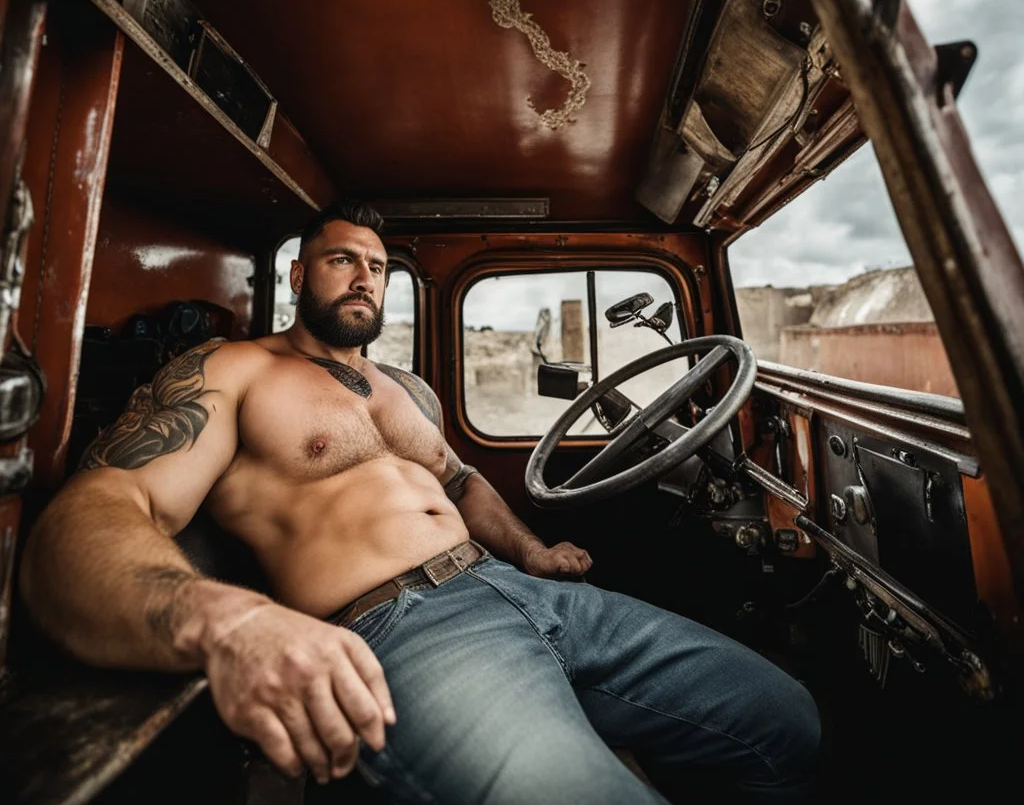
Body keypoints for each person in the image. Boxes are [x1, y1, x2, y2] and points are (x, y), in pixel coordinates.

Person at [20, 200, 820, 803]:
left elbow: (463, 480)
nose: (364, 276)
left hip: (519, 590)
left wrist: (532, 553)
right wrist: (230, 622)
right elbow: (95, 512)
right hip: (396, 626)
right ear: (299, 275)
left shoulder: (404, 390)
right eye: (341, 261)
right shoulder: (231, 371)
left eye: (376, 266)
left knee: (784, 721)